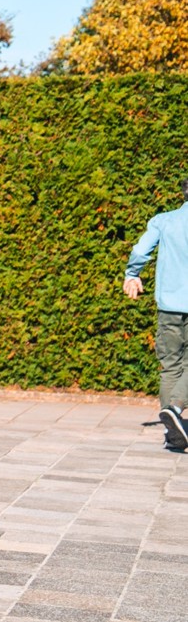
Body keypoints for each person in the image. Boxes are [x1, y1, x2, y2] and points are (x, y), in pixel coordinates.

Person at [124, 177, 188, 451]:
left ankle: (172, 431)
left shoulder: (163, 220)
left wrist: (132, 274)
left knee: (171, 365)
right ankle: (174, 408)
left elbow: (140, 250)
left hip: (169, 306)